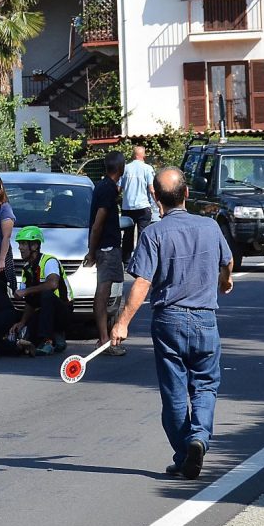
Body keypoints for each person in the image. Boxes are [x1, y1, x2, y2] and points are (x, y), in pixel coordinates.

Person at [112, 167, 234, 480]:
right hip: (205, 318)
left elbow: (142, 283)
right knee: (205, 385)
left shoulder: (153, 233)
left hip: (169, 321)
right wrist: (225, 280)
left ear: (154, 196)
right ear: (187, 194)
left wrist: (122, 323)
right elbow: (228, 259)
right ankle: (198, 440)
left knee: (174, 392)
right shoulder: (209, 227)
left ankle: (184, 454)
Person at [86, 150, 126, 356]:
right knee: (103, 292)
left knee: (106, 291)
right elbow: (98, 223)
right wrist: (92, 252)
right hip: (107, 248)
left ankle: (106, 338)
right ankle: (104, 340)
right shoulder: (108, 190)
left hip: (104, 247)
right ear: (121, 168)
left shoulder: (103, 186)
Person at [12, 225, 73, 357]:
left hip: (63, 312)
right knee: (24, 329)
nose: (20, 248)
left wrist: (26, 291)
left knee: (46, 295)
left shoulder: (48, 261)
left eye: (23, 244)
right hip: (45, 312)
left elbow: (53, 284)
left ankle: (49, 340)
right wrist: (22, 323)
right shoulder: (27, 268)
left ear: (34, 246)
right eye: (19, 244)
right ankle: (49, 339)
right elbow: (29, 302)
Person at [121, 146, 156, 263]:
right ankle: (141, 260)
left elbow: (119, 188)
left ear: (133, 155)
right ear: (142, 156)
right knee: (143, 234)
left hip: (127, 207)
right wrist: (160, 205)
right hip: (143, 206)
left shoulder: (125, 168)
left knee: (127, 235)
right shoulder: (147, 169)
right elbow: (152, 189)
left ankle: (125, 260)